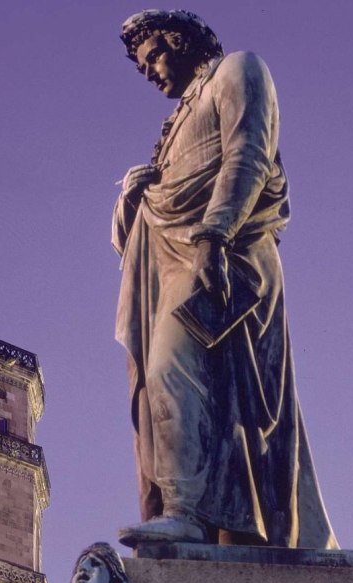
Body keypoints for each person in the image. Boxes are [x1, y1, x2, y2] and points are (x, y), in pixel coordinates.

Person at [112, 10, 336, 548]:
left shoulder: (238, 71)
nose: (150, 74)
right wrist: (129, 196)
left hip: (226, 256)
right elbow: (137, 238)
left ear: (182, 41)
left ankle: (185, 510)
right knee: (164, 387)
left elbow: (249, 152)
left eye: (154, 58)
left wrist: (214, 233)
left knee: (172, 367)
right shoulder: (172, 128)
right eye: (142, 67)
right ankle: (191, 512)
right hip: (173, 265)